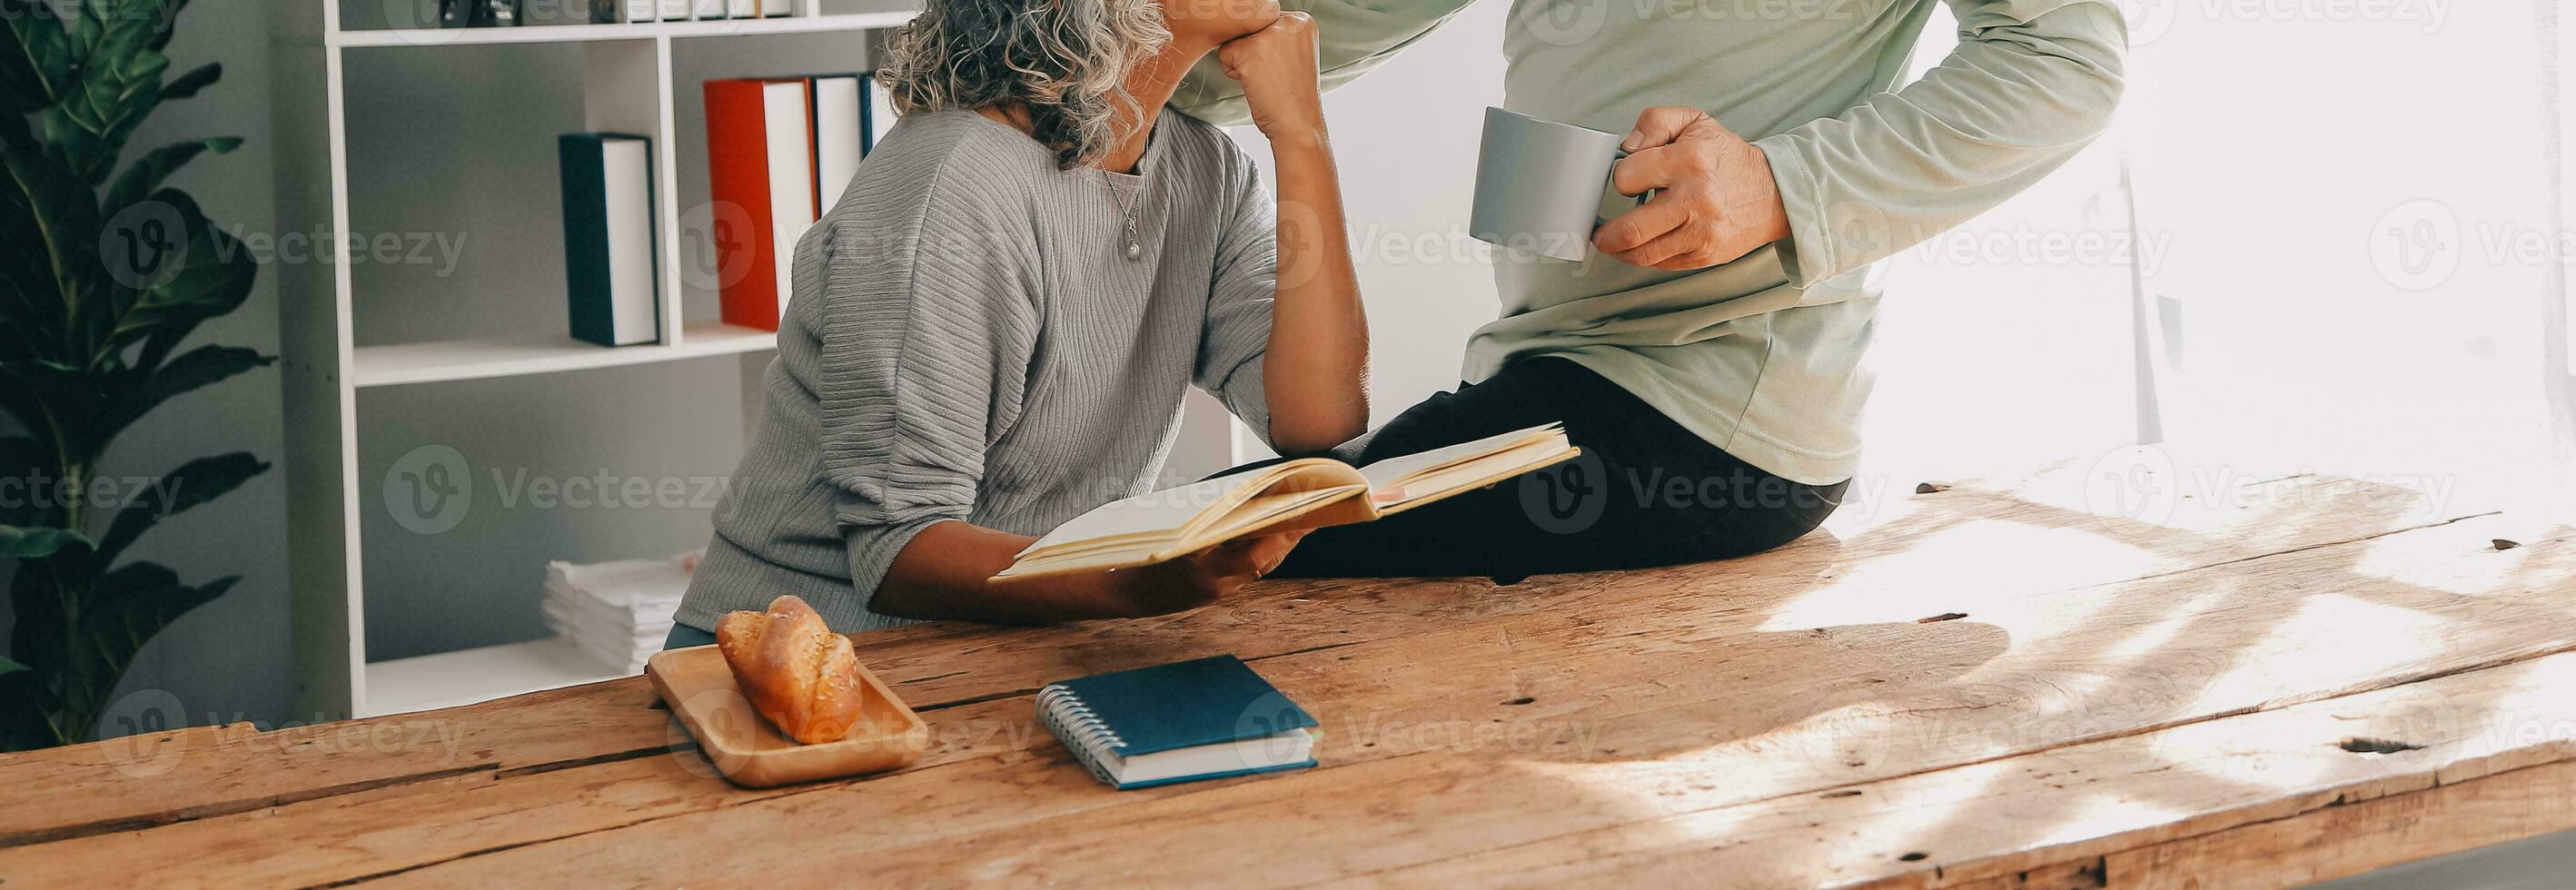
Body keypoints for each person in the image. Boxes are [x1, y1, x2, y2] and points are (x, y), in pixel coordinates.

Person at [1174, 0, 2127, 579]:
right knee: (1183, 539)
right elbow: (1307, 21)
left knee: (1193, 543)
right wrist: (1109, 64)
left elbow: (2066, 60)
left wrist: (1783, 184)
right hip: (1549, 364)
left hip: (1699, 409)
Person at [669, 0, 1366, 644]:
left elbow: (1317, 419)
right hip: (803, 660)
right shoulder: (955, 183)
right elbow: (897, 550)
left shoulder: (1208, 171)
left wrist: (1301, 136)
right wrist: (1145, 581)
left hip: (1015, 645)